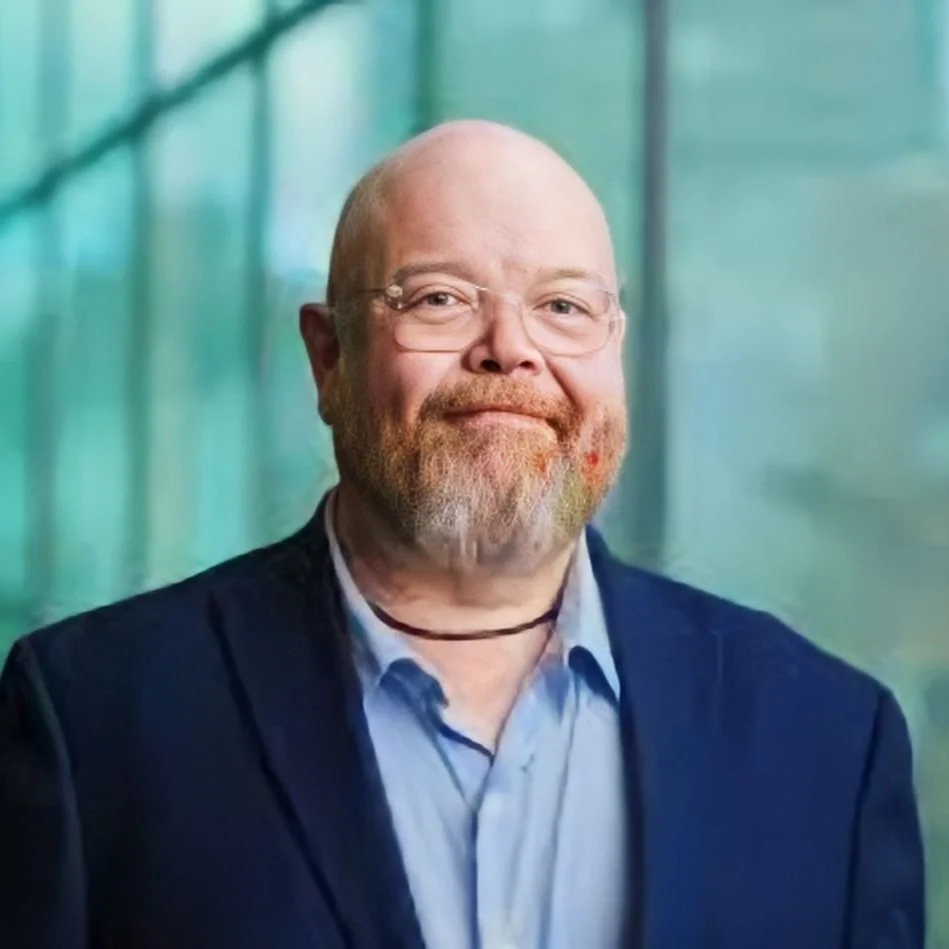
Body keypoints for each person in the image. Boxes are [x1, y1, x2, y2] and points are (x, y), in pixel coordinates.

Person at [0, 120, 924, 949]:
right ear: (328, 357)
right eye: (439, 298)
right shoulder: (91, 722)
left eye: (563, 307)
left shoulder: (829, 745)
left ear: (616, 353)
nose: (509, 349)